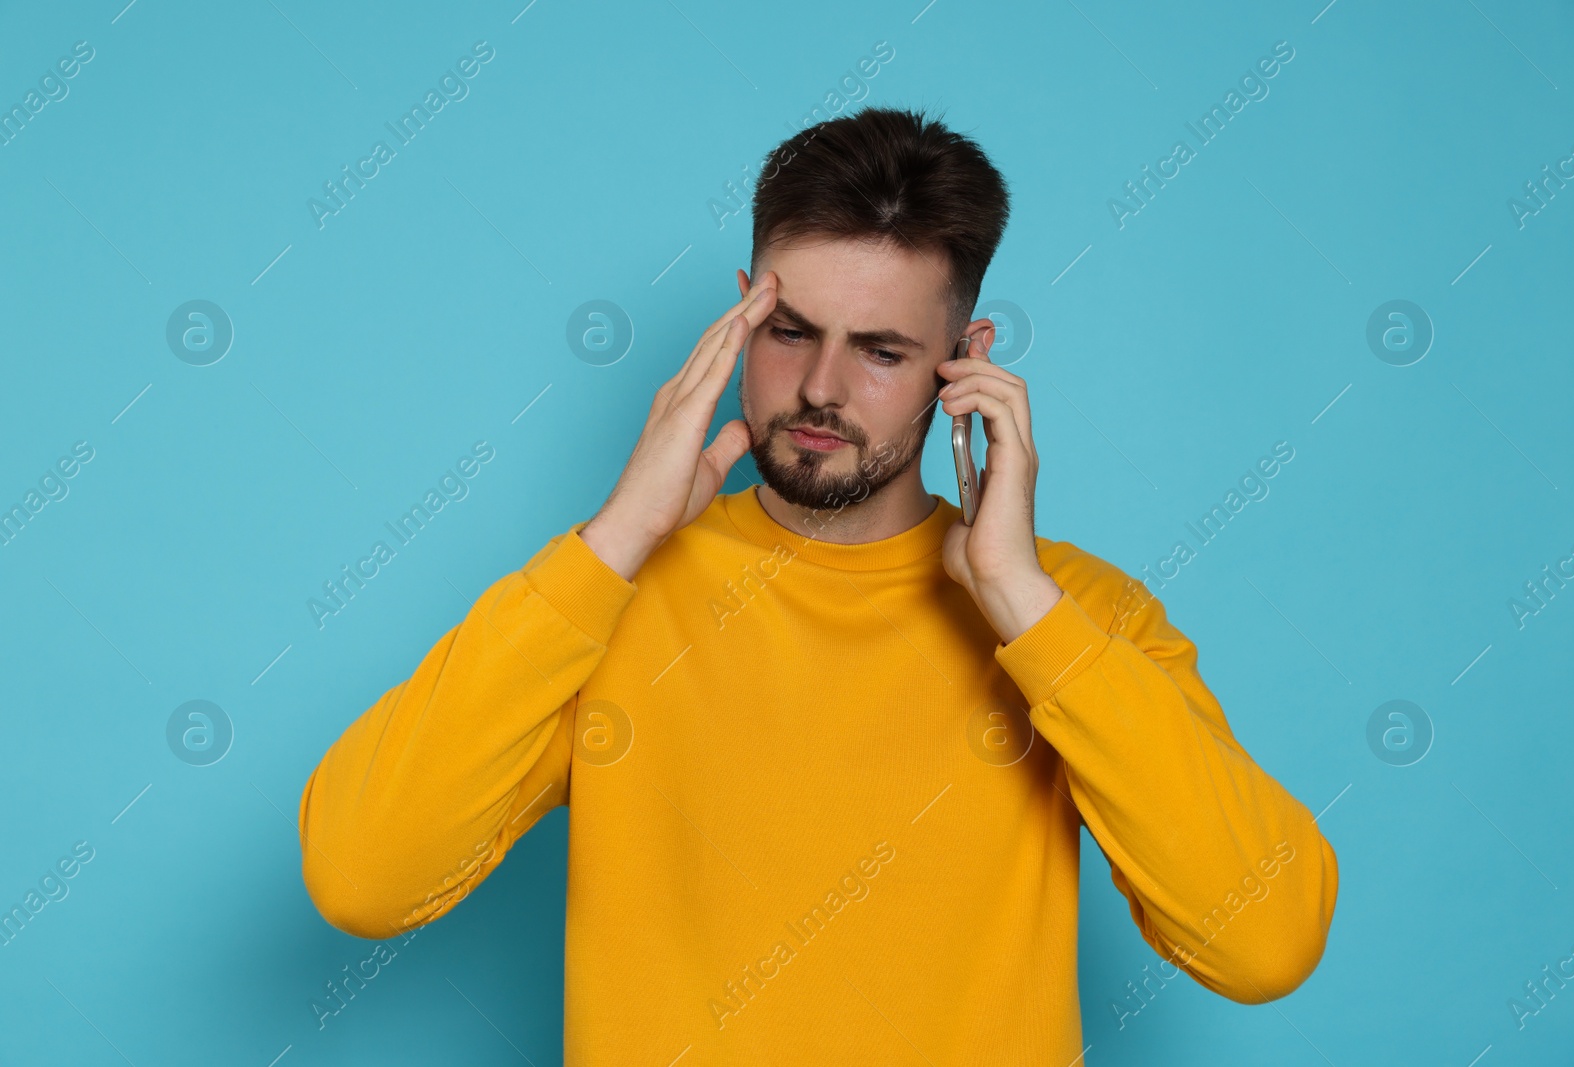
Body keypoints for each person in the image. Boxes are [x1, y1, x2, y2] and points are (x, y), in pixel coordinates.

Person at [298, 105, 1338, 1063]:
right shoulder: (604, 590)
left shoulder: (1076, 615)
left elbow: (1264, 942)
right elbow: (364, 876)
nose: (821, 389)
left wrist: (1019, 599)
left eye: (881, 350)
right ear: (739, 319)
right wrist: (618, 536)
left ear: (964, 361)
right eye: (790, 331)